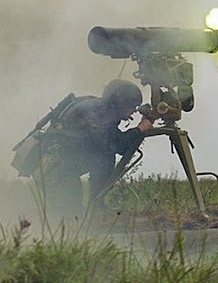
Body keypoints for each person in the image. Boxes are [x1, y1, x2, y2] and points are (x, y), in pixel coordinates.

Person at [32, 79, 153, 218]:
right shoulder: (99, 112)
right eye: (132, 106)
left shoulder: (99, 109)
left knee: (104, 157)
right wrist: (140, 128)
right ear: (120, 103)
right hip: (56, 172)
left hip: (61, 168)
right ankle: (95, 208)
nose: (134, 111)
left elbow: (113, 144)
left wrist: (139, 128)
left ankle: (97, 205)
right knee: (70, 217)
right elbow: (115, 145)